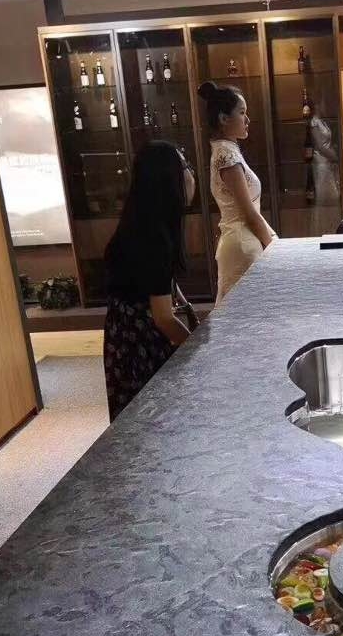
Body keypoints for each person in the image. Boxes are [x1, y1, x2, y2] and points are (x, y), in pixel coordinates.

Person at [103, 141, 197, 422]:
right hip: (140, 342)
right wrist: (194, 348)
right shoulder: (155, 238)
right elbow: (163, 318)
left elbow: (161, 282)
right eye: (185, 166)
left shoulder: (142, 222)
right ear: (167, 178)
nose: (191, 174)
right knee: (152, 421)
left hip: (123, 335)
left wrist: (187, 308)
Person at [198, 81, 276, 303]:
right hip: (242, 244)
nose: (247, 119)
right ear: (224, 119)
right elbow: (248, 213)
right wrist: (273, 248)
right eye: (242, 113)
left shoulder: (227, 150)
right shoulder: (227, 156)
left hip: (242, 240)